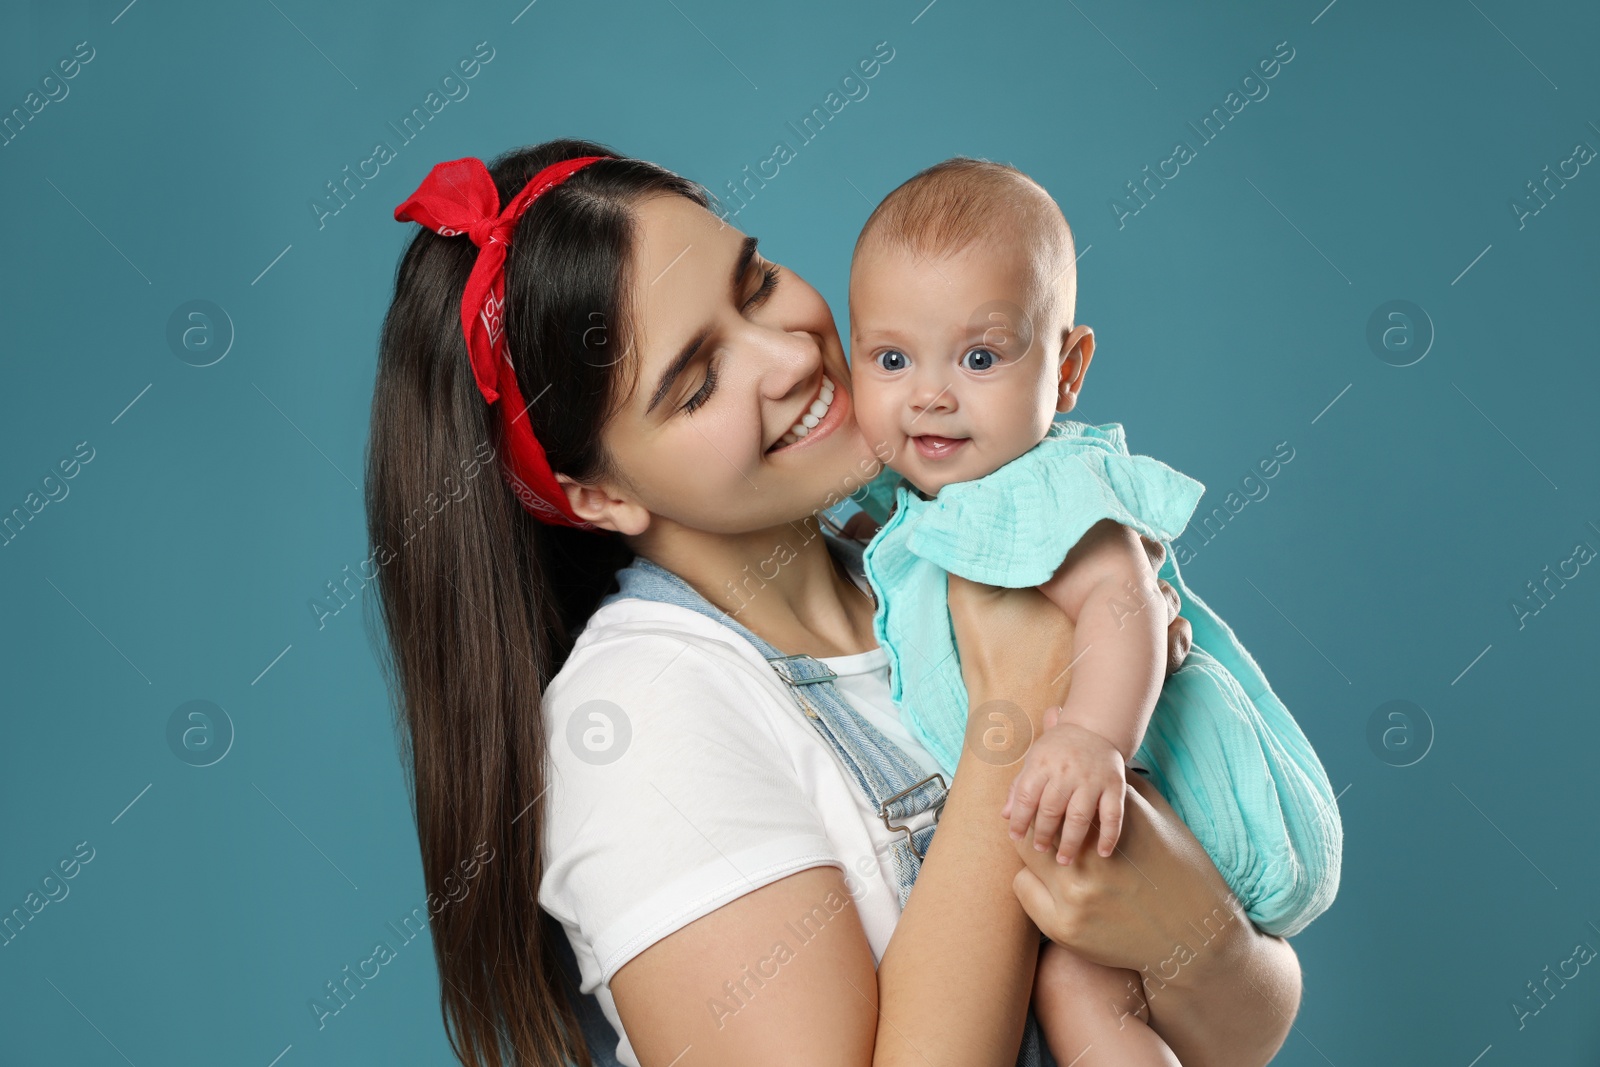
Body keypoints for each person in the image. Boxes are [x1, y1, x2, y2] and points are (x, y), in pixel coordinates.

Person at [365, 137, 1304, 1067]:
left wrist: (1203, 933)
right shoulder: (640, 716)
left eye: (757, 282)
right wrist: (1015, 707)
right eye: (697, 385)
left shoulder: (925, 561)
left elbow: (1252, 1024)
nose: (786, 357)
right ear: (601, 495)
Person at [843, 157, 1343, 1065]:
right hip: (1103, 846)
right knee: (1082, 987)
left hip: (1152, 807)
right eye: (890, 358)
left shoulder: (1051, 489)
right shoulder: (926, 497)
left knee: (1075, 984)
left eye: (981, 357)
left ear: (1068, 369)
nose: (930, 392)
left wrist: (1094, 740)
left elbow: (1125, 603)